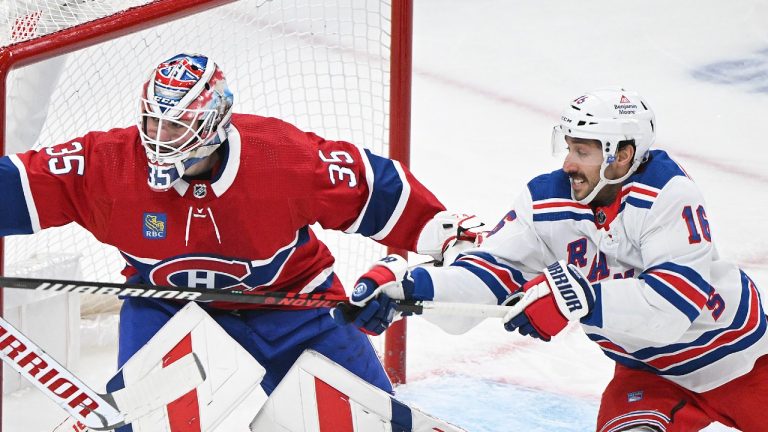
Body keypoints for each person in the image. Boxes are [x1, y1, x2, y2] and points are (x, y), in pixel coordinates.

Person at [0, 53, 480, 407]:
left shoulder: (282, 158)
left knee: (367, 418)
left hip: (294, 305)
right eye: (153, 121)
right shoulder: (107, 164)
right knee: (145, 419)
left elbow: (377, 190)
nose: (159, 138)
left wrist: (448, 238)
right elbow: (18, 185)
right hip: (167, 309)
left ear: (213, 124)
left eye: (177, 125)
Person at [339, 88, 768, 431]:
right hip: (647, 374)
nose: (568, 164)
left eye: (583, 152)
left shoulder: (667, 194)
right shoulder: (546, 200)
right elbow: (489, 273)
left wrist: (580, 299)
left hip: (741, 359)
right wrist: (412, 289)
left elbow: (673, 307)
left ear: (621, 155)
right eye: (569, 149)